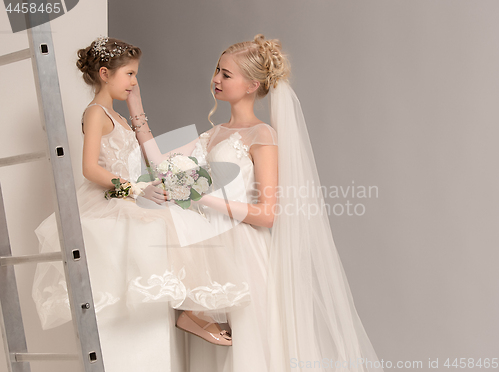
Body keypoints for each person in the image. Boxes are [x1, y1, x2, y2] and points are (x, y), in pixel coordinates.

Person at [133, 34, 385, 371]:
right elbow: (160, 165)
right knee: (215, 357)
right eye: (217, 71)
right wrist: (135, 106)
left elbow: (267, 215)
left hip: (246, 253)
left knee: (250, 352)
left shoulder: (262, 135)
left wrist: (201, 195)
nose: (216, 80)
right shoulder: (214, 134)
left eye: (226, 74)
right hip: (210, 251)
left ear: (253, 84)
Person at [31, 36, 251, 372]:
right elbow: (90, 169)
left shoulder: (117, 117)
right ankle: (186, 314)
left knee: (180, 222)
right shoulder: (95, 113)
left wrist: (137, 111)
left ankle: (187, 312)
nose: (134, 82)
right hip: (110, 200)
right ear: (105, 73)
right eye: (130, 74)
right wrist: (135, 190)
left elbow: (146, 161)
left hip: (132, 194)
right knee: (164, 226)